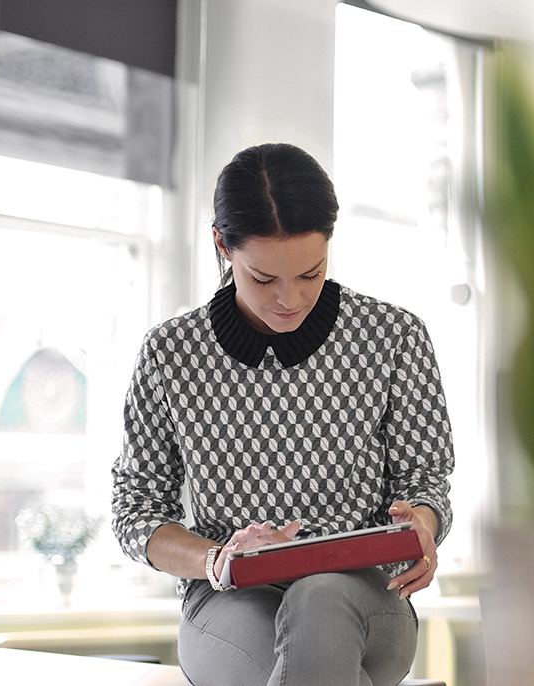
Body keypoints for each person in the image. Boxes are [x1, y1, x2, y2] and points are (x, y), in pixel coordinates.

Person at [111, 142, 454, 686]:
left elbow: (426, 482)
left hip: (365, 596)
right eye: (264, 279)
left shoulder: (394, 338)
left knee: (321, 597)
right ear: (223, 245)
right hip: (229, 598)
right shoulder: (170, 353)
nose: (290, 300)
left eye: (311, 274)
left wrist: (423, 524)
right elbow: (136, 511)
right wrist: (215, 559)